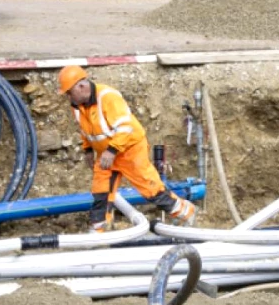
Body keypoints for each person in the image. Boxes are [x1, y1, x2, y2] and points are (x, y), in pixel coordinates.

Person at [58, 66, 196, 231]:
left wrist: (112, 150)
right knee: (101, 191)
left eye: (69, 92)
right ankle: (100, 229)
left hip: (130, 150)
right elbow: (85, 129)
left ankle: (185, 212)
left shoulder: (108, 97)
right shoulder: (77, 106)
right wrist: (88, 149)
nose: (68, 97)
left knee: (150, 189)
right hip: (106, 154)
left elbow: (125, 127)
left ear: (81, 87)